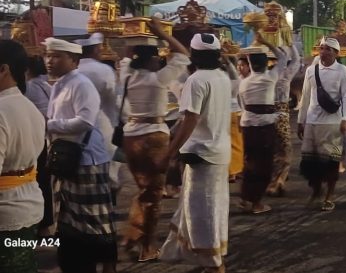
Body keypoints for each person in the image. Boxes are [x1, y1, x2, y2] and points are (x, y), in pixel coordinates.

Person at [44, 37, 117, 273]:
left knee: (95, 219)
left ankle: (105, 263)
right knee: (69, 217)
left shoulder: (81, 83)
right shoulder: (59, 84)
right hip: (68, 159)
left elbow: (84, 121)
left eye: (56, 56)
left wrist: (50, 125)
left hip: (87, 159)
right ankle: (77, 261)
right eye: (48, 56)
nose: (49, 61)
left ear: (74, 60)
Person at [160, 33, 231, 273]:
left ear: (194, 55)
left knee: (202, 212)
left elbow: (190, 118)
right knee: (213, 207)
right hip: (218, 153)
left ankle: (213, 263)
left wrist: (170, 151)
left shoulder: (196, 80)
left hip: (202, 154)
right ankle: (211, 256)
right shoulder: (222, 77)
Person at [120, 18, 190, 261]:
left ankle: (134, 234)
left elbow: (127, 57)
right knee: (153, 194)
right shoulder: (158, 78)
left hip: (130, 136)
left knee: (143, 189)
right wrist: (162, 34)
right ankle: (145, 246)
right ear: (153, 58)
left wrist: (135, 43)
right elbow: (183, 53)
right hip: (153, 137)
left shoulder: (126, 75)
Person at [0, 40, 46, 273]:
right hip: (29, 206)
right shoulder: (30, 108)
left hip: (6, 212)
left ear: (4, 69)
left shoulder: (2, 111)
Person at [297, 37, 346, 211]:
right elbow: (305, 97)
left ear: (336, 53)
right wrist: (300, 120)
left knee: (331, 162)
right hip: (312, 122)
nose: (324, 52)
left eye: (328, 49)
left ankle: (329, 196)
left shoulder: (342, 71)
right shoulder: (311, 71)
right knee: (310, 164)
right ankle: (316, 190)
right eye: (322, 48)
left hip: (333, 123)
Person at [237, 42, 285, 213]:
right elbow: (283, 57)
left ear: (249, 64)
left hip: (248, 125)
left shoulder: (243, 82)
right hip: (265, 127)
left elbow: (242, 106)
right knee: (264, 165)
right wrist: (266, 42)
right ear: (266, 64)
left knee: (249, 162)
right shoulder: (269, 78)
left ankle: (245, 197)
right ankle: (256, 203)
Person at [75, 32, 122, 201]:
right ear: (96, 49)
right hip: (102, 124)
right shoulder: (104, 70)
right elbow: (115, 99)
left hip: (75, 126)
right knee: (108, 170)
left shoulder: (73, 69)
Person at [23, 55, 55, 237]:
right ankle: (45, 226)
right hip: (44, 139)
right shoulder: (47, 86)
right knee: (43, 183)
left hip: (32, 140)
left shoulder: (27, 88)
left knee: (33, 182)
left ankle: (36, 224)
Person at [268, 44, 302, 197]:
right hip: (281, 116)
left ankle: (273, 181)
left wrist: (268, 44)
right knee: (286, 151)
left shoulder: (267, 76)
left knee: (274, 151)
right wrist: (289, 44)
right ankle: (279, 180)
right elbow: (296, 60)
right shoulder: (284, 76)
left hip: (267, 117)